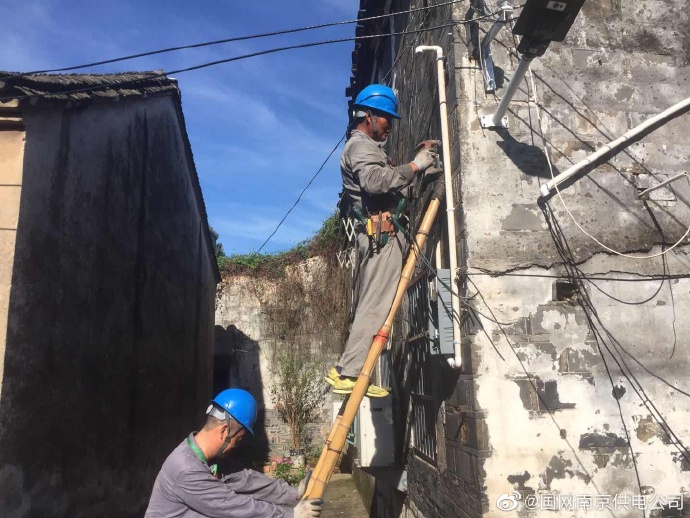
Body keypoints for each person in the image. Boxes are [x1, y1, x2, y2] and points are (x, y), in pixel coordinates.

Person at [326, 84, 438, 398]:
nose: (390, 125)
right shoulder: (361, 146)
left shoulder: (369, 149)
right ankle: (349, 373)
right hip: (382, 237)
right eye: (387, 118)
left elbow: (392, 188)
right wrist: (416, 165)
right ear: (369, 116)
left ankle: (347, 369)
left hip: (380, 234)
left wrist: (420, 167)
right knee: (376, 305)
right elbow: (375, 183)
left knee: (370, 304)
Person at [145, 388, 323, 518]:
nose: (237, 445)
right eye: (239, 439)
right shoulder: (186, 469)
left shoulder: (211, 460)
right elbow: (231, 506)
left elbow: (246, 480)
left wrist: (293, 493)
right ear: (224, 431)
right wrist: (290, 515)